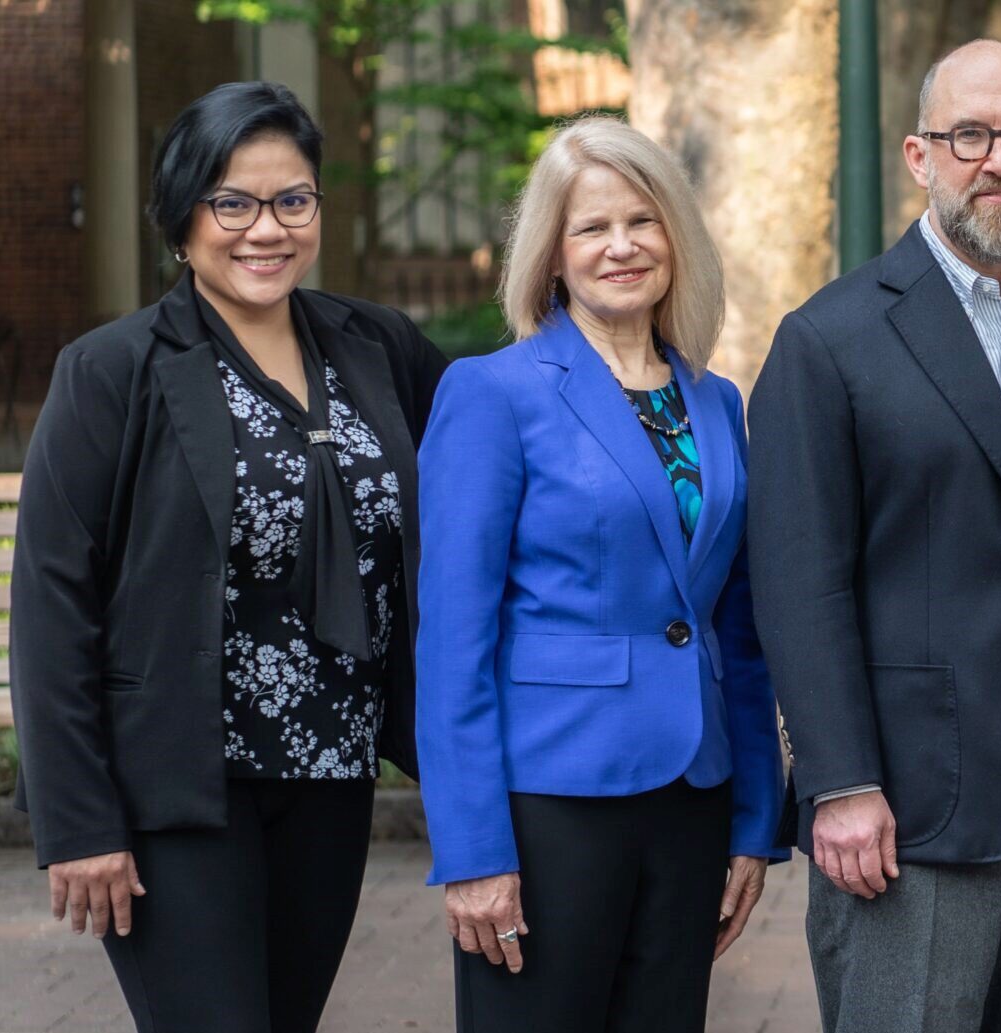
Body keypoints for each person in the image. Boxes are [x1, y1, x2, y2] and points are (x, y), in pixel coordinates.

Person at [747, 39, 1001, 1033]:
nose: (997, 159)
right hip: (904, 805)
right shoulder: (829, 339)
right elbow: (799, 581)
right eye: (969, 134)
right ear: (918, 154)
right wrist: (840, 780)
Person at [9, 81, 448, 1032]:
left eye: (293, 200)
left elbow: (494, 454)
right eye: (233, 202)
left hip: (332, 776)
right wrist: (78, 823)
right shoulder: (112, 369)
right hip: (175, 789)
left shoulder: (379, 347)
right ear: (182, 218)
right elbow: (52, 601)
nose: (267, 229)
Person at [414, 115, 787, 1032]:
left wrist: (753, 821)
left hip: (694, 794)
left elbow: (736, 630)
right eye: (592, 227)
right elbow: (453, 641)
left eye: (642, 221)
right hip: (550, 803)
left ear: (675, 237)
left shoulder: (714, 399)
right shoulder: (492, 392)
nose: (621, 246)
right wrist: (471, 850)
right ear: (551, 253)